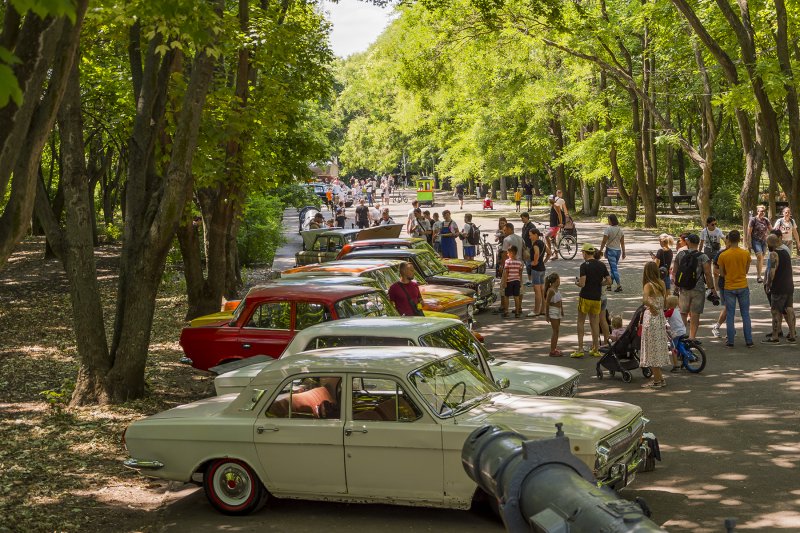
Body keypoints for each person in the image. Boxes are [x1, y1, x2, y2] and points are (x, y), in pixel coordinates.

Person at [672, 233, 716, 340]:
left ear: (688, 242)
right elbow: (708, 274)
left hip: (684, 288)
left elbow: (674, 272)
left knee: (683, 312)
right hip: (698, 288)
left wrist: (676, 286)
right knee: (695, 314)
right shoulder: (703, 257)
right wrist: (712, 288)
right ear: (697, 243)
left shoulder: (681, 254)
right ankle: (692, 338)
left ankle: (681, 336)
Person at [571, 243, 611, 358]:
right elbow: (609, 281)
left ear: (584, 253)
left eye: (582, 253)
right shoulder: (601, 265)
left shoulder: (584, 265)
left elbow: (582, 283)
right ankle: (595, 348)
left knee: (581, 322)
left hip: (585, 297)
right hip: (596, 298)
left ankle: (580, 348)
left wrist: (577, 283)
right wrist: (600, 283)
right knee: (594, 323)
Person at [716, 229, 753, 348]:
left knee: (730, 314)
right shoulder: (746, 253)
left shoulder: (723, 255)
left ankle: (730, 341)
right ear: (739, 239)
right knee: (745, 314)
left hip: (729, 287)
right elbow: (746, 270)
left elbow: (721, 273)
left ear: (728, 240)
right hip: (742, 285)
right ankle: (749, 340)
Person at [640, 261, 671, 388]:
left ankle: (657, 380)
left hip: (651, 318)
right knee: (657, 348)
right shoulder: (661, 283)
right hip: (659, 317)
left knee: (651, 349)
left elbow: (645, 299)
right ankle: (660, 378)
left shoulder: (648, 285)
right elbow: (665, 300)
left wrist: (650, 305)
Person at [763, 234, 797, 343]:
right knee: (789, 309)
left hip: (778, 287)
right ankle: (792, 334)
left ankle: (775, 336)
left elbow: (772, 272)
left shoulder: (774, 254)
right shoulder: (786, 253)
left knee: (775, 311)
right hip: (789, 285)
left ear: (769, 244)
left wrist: (768, 284)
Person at [710, 234, 731, 339]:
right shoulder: (720, 254)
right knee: (728, 307)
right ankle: (717, 326)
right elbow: (715, 271)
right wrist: (716, 288)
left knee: (729, 307)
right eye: (728, 241)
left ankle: (729, 329)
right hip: (724, 285)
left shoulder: (738, 252)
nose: (729, 243)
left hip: (735, 284)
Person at [599, 214, 626, 292]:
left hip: (611, 251)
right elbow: (622, 243)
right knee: (612, 268)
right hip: (618, 251)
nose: (608, 221)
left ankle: (619, 285)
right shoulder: (620, 230)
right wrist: (624, 252)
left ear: (610, 220)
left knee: (614, 269)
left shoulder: (608, 229)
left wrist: (600, 250)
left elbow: (604, 241)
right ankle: (609, 285)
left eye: (608, 220)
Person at [748, 205, 772, 282]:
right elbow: (749, 232)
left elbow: (771, 229)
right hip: (755, 241)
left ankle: (759, 274)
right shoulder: (753, 219)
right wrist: (749, 243)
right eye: (761, 211)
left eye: (763, 211)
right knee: (759, 256)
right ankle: (759, 276)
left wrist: (780, 232)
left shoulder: (766, 220)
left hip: (764, 241)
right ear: (757, 211)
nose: (762, 212)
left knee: (761, 258)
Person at [664, 295, 686, 373]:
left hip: (676, 333)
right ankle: (683, 360)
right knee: (679, 344)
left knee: (673, 348)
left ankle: (676, 365)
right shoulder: (677, 310)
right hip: (682, 330)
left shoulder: (670, 311)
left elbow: (662, 317)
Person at [528, 227, 547, 317]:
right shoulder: (542, 243)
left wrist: (534, 262)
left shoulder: (535, 244)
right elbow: (550, 253)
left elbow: (536, 253)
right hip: (542, 268)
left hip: (536, 270)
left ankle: (536, 311)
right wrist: (544, 261)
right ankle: (543, 309)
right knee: (542, 290)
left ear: (535, 235)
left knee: (537, 291)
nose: (529, 237)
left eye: (530, 235)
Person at [500, 245, 524, 318]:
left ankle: (506, 311)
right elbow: (520, 273)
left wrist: (504, 282)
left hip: (509, 281)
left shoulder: (507, 262)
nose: (507, 254)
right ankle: (517, 312)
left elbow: (506, 272)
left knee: (506, 296)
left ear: (511, 253)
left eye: (508, 253)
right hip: (517, 281)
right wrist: (520, 282)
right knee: (516, 296)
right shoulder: (519, 262)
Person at [544, 272, 564, 356]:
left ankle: (554, 348)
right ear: (556, 280)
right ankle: (552, 350)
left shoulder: (556, 289)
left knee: (557, 330)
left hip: (558, 311)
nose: (560, 281)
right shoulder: (551, 290)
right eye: (559, 279)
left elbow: (560, 300)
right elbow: (547, 303)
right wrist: (547, 315)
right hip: (553, 311)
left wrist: (562, 310)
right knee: (555, 331)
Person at [519, 212, 535, 286]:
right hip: (525, 247)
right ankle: (529, 279)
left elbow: (534, 238)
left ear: (527, 217)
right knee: (527, 264)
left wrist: (531, 247)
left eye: (523, 218)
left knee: (530, 264)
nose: (522, 220)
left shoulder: (531, 226)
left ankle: (532, 280)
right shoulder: (524, 226)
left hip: (530, 247)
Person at [546, 195, 563, 261]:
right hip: (552, 225)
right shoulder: (553, 205)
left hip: (555, 226)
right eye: (549, 199)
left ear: (554, 199)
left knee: (546, 236)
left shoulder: (556, 205)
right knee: (553, 240)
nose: (549, 200)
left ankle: (549, 252)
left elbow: (559, 214)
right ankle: (556, 255)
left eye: (551, 199)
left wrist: (561, 223)